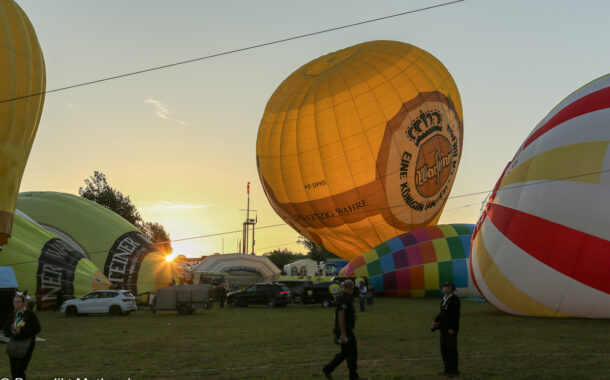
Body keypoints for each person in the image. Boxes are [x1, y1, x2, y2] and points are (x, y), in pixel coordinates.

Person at [323, 280, 365, 380]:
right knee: (351, 352)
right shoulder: (344, 298)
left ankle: (350, 375)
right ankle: (329, 369)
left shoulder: (342, 295)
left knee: (347, 353)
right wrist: (343, 334)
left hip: (345, 329)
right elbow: (341, 316)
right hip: (345, 330)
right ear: (350, 288)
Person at [3, 293, 41, 380]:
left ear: (24, 303)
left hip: (27, 344)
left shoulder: (30, 314)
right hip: (14, 344)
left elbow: (37, 328)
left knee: (19, 370)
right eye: (14, 302)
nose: (15, 304)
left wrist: (22, 331)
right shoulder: (12, 316)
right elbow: (6, 331)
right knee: (13, 370)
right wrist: (12, 332)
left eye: (18, 302)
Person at [432, 281, 461, 377]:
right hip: (443, 329)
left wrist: (452, 328)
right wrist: (436, 320)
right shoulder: (444, 299)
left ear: (450, 288)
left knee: (451, 349)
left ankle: (454, 371)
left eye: (445, 287)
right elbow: (442, 313)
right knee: (444, 349)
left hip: (450, 329)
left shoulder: (455, 299)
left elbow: (455, 315)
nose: (443, 288)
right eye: (443, 287)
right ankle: (447, 369)